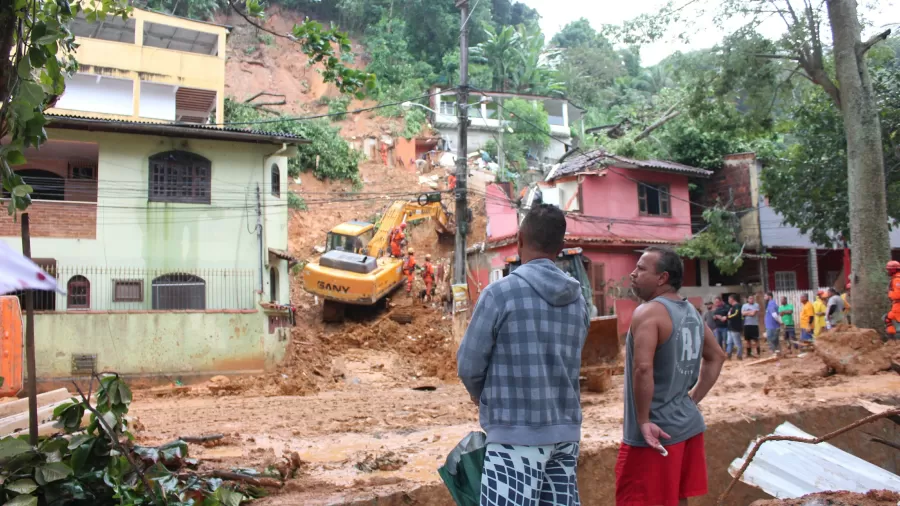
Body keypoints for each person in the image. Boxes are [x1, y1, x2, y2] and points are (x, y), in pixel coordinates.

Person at [458, 204, 588, 506]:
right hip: (565, 436)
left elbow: (468, 365)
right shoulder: (578, 300)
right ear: (560, 247)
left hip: (515, 437)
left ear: (519, 240)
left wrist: (481, 396)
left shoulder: (499, 294)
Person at [616, 246, 726, 506]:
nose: (633, 274)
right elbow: (717, 356)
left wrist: (643, 421)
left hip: (654, 434)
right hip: (687, 427)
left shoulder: (649, 312)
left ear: (662, 278)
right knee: (677, 498)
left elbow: (643, 368)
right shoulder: (691, 313)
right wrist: (692, 400)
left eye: (641, 269)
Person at [726, 295, 744, 360]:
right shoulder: (732, 307)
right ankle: (728, 355)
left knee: (737, 343)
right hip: (730, 327)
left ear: (732, 299)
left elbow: (736, 314)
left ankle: (739, 356)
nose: (728, 301)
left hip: (735, 327)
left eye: (729, 299)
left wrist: (727, 317)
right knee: (729, 342)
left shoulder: (737, 306)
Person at [887, 261, 900, 336]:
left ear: (894, 270)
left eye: (889, 270)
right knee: (887, 318)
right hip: (896, 305)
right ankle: (892, 339)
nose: (888, 271)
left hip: (898, 306)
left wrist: (890, 294)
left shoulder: (897, 280)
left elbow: (898, 295)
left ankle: (895, 339)